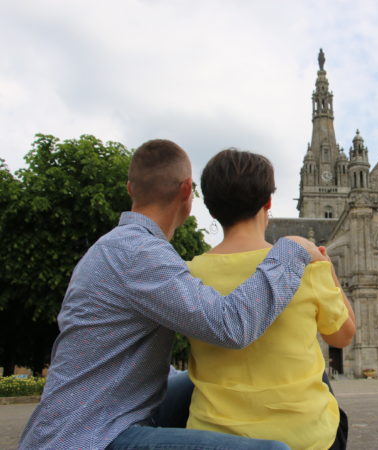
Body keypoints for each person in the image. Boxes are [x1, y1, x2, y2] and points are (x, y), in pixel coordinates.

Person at [20, 139, 324, 450]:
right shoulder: (140, 253)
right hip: (91, 436)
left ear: (130, 189)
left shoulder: (117, 245)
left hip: (95, 414)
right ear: (186, 190)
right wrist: (291, 250)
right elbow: (231, 326)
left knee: (211, 383)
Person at [186, 149, 356, 449]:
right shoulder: (305, 266)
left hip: (214, 438)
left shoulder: (187, 274)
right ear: (268, 203)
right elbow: (343, 336)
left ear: (211, 210)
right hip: (305, 437)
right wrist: (328, 271)